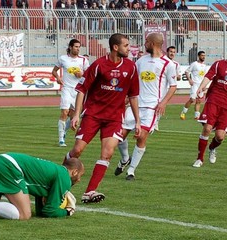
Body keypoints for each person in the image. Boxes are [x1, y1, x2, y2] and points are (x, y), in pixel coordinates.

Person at [63, 33, 141, 203]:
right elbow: (82, 89)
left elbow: (133, 96)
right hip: (93, 115)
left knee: (107, 153)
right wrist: (77, 114)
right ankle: (60, 180)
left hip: (114, 118)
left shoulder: (131, 67)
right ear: (115, 47)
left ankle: (90, 191)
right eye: (126, 45)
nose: (129, 49)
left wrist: (138, 121)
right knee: (77, 151)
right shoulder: (99, 65)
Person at [115, 32, 177, 180]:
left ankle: (131, 170)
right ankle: (125, 159)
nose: (145, 44)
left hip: (151, 107)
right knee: (119, 136)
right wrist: (127, 98)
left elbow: (173, 86)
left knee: (141, 137)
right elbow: (132, 81)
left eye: (147, 41)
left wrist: (163, 103)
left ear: (153, 44)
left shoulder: (168, 64)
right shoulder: (141, 61)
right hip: (136, 104)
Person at [0, 152, 84, 220]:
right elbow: (50, 211)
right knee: (24, 214)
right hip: (8, 165)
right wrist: (67, 212)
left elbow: (41, 212)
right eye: (80, 176)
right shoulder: (64, 177)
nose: (79, 180)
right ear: (75, 172)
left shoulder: (55, 170)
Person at [52, 39, 89, 147]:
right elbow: (54, 71)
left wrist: (81, 74)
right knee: (64, 112)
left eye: (79, 47)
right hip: (67, 89)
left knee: (74, 117)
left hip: (78, 91)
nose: (78, 49)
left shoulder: (83, 60)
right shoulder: (63, 59)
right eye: (76, 47)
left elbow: (88, 75)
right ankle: (61, 140)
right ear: (71, 47)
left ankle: (64, 132)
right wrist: (58, 78)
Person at [192, 59, 227, 167]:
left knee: (220, 136)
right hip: (214, 99)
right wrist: (201, 87)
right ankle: (199, 158)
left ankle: (212, 148)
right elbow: (208, 76)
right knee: (207, 128)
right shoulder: (219, 64)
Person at [155, 45, 181, 131]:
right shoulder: (161, 61)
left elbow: (178, 76)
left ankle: (156, 123)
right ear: (167, 52)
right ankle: (153, 123)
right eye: (171, 52)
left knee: (162, 105)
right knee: (156, 104)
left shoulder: (176, 64)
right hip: (159, 87)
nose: (172, 53)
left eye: (174, 52)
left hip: (168, 88)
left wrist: (176, 76)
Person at [180, 51, 207, 120]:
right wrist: (189, 79)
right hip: (195, 84)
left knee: (199, 101)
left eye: (204, 55)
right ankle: (183, 113)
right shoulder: (194, 64)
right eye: (202, 55)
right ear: (198, 56)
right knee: (192, 99)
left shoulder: (204, 66)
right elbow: (186, 71)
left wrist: (204, 85)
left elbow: (205, 76)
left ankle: (197, 115)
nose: (203, 57)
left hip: (201, 85)